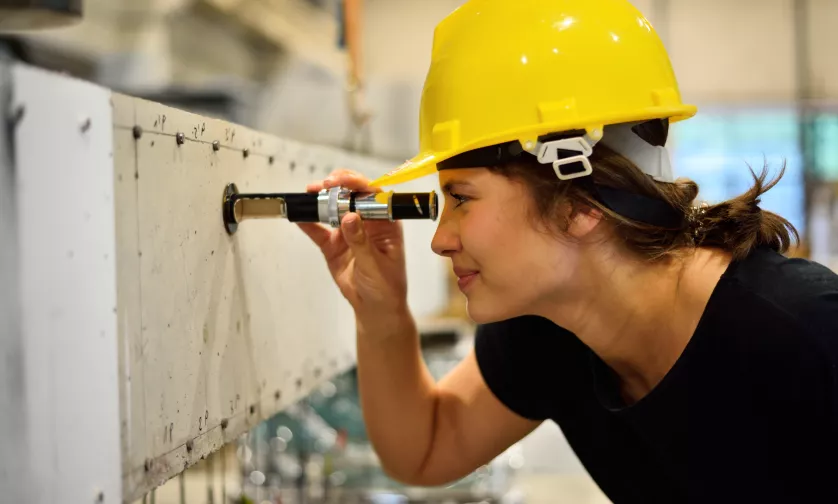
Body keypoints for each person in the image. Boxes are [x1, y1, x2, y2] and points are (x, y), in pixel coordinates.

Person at [298, 0, 838, 501]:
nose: (440, 239)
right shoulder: (549, 330)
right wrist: (381, 312)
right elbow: (426, 450)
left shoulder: (805, 335)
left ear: (579, 204)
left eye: (461, 198)